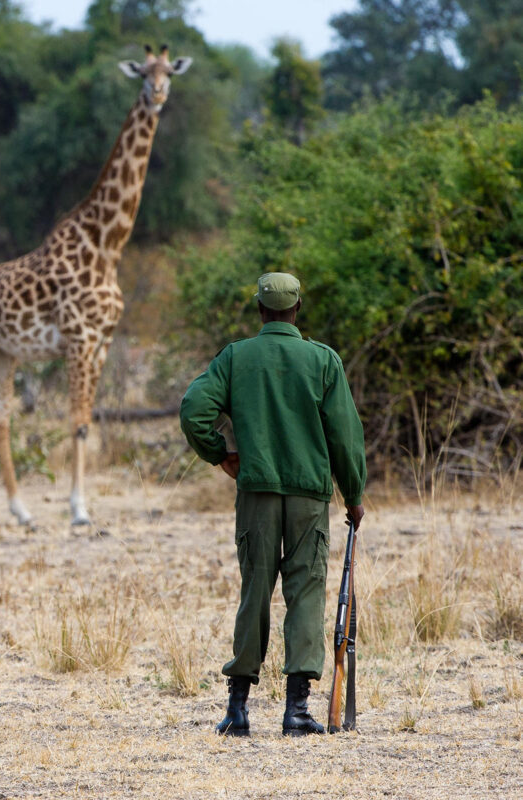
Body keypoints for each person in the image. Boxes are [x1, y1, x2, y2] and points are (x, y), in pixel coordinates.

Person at [179, 272, 367, 737]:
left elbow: (192, 409)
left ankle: (238, 710)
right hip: (309, 497)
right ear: (297, 309)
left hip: (256, 493)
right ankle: (297, 711)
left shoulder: (236, 357)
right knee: (304, 592)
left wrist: (220, 454)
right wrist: (355, 494)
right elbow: (345, 436)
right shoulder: (323, 361)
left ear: (260, 311)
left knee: (254, 593)